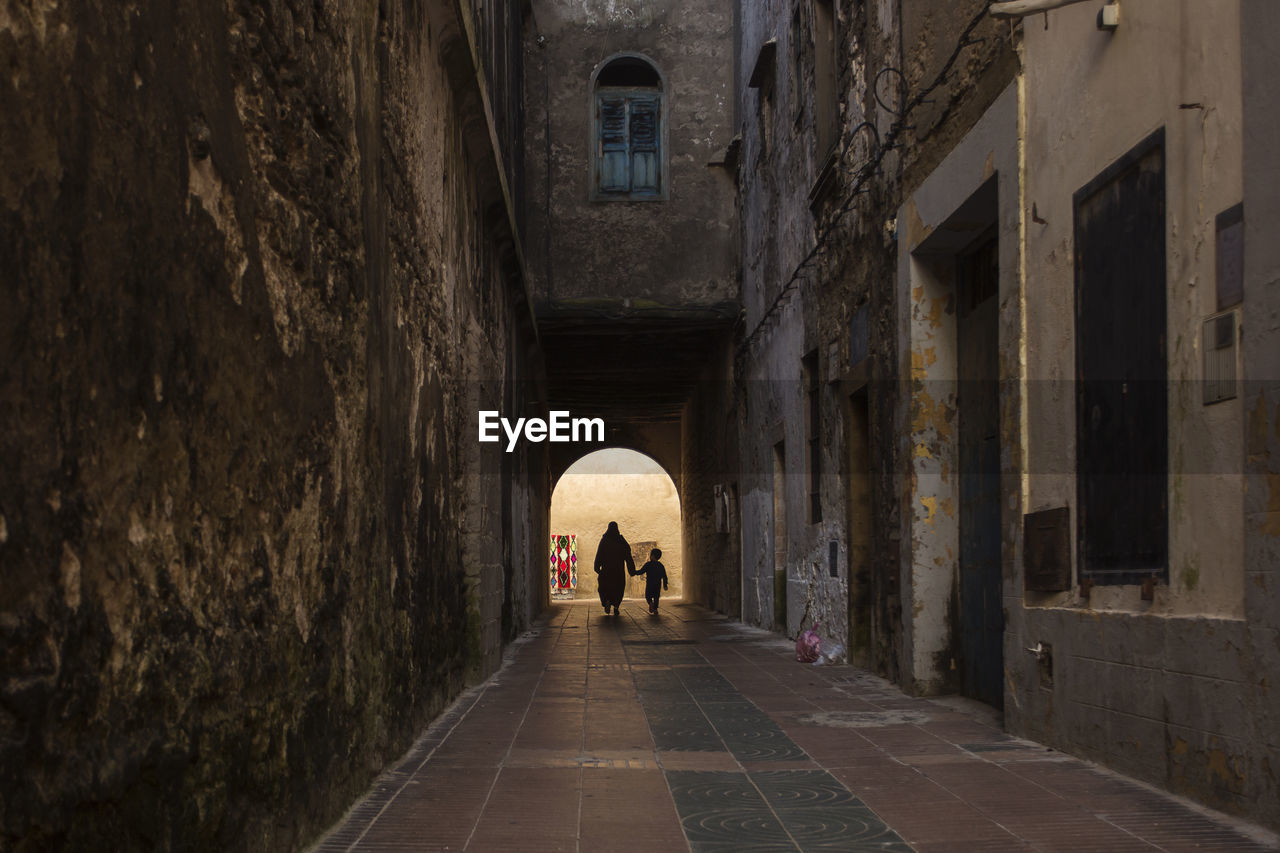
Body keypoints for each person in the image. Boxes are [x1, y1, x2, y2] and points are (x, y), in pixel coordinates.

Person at [593, 521, 634, 616]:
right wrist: (631, 570)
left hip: (606, 571)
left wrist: (597, 567)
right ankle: (616, 607)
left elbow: (599, 554)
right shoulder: (621, 541)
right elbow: (628, 554)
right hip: (618, 571)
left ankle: (606, 601)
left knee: (605, 588)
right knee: (618, 588)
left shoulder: (604, 540)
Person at [635, 548, 668, 615]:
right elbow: (664, 576)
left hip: (650, 583)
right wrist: (665, 585)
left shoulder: (648, 564)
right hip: (657, 584)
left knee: (648, 596)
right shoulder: (661, 565)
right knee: (656, 597)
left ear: (652, 556)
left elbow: (641, 571)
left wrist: (634, 572)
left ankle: (650, 603)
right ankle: (655, 609)